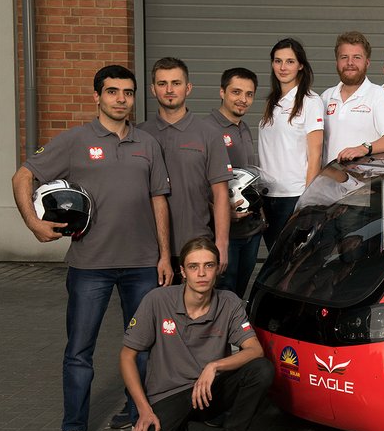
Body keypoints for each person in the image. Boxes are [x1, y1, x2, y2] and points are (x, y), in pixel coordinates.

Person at [11, 64, 171, 431]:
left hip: (141, 264)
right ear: (96, 96)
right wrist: (34, 225)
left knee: (144, 345)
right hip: (90, 266)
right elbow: (22, 177)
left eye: (128, 92)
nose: (121, 99)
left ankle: (138, 413)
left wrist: (165, 255)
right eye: (113, 91)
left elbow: (158, 200)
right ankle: (73, 427)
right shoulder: (74, 140)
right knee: (80, 348)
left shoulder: (147, 143)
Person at [123, 236, 273, 431]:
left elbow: (254, 350)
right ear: (183, 271)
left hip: (209, 391)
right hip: (168, 395)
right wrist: (144, 410)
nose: (201, 273)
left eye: (209, 265)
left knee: (261, 370)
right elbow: (127, 357)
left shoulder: (229, 302)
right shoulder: (157, 301)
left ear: (218, 269)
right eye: (193, 267)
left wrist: (214, 366)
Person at [139, 57, 232, 272]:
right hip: (146, 248)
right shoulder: (140, 135)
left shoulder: (209, 134)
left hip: (195, 245)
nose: (169, 90)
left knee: (195, 306)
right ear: (153, 89)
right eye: (162, 84)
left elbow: (220, 193)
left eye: (176, 83)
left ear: (188, 88)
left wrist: (221, 244)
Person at [258, 37, 325, 250]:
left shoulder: (310, 102)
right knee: (273, 258)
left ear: (301, 65)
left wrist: (306, 202)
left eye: (289, 61)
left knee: (290, 262)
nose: (283, 67)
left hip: (292, 197)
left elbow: (315, 155)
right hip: (268, 196)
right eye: (278, 61)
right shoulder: (272, 102)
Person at [205, 68, 264, 297]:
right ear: (222, 92)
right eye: (236, 92)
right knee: (222, 295)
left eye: (249, 94)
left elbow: (249, 176)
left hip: (249, 230)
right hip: (224, 232)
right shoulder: (207, 129)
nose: (243, 99)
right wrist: (217, 211)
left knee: (238, 294)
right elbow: (195, 183)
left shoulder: (244, 127)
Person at [321, 31, 384, 163]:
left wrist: (364, 148)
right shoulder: (325, 97)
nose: (350, 63)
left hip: (364, 181)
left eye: (357, 57)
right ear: (337, 62)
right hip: (329, 180)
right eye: (344, 57)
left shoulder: (378, 96)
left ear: (367, 63)